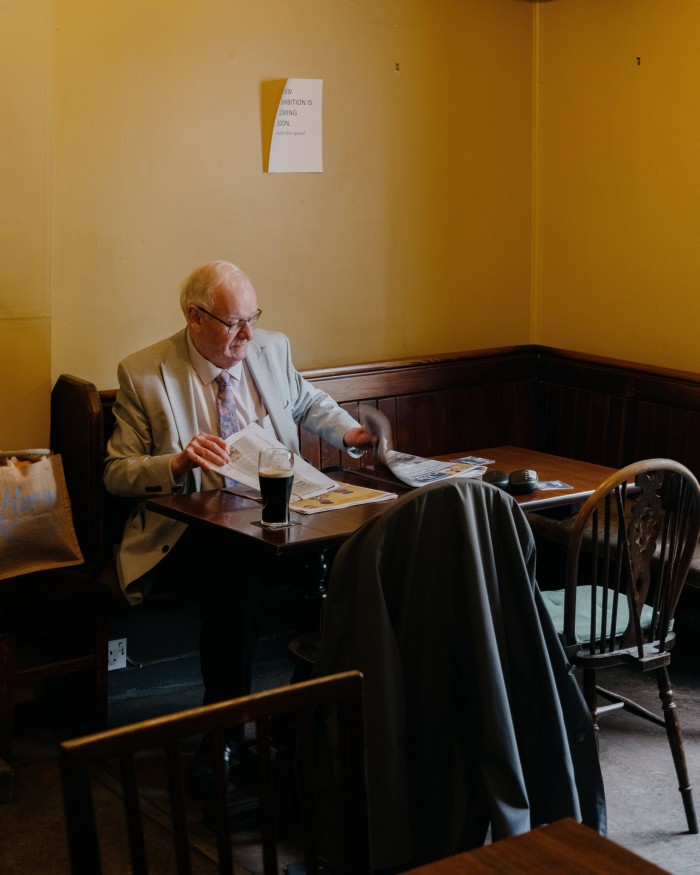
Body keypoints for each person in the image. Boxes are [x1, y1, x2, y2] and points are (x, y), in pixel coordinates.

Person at [104, 259, 375, 795]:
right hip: (191, 529)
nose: (248, 334)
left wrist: (350, 433)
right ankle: (222, 734)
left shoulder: (270, 348)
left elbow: (305, 400)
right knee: (236, 579)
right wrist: (176, 464)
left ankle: (315, 722)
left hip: (280, 514)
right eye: (234, 324)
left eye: (253, 318)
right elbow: (117, 473)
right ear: (194, 317)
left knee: (355, 553)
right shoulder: (144, 373)